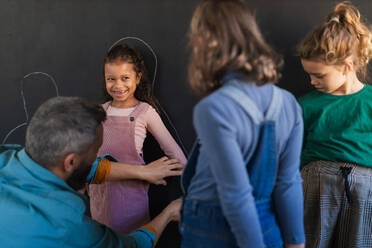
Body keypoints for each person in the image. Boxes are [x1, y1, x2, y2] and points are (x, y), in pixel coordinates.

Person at [180, 1, 305, 248]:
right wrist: (296, 244)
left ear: (204, 41)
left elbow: (236, 195)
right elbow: (288, 183)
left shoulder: (213, 108)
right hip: (267, 225)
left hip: (211, 229)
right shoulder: (289, 104)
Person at [0, 96, 181, 248]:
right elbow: (133, 245)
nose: (96, 157)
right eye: (95, 152)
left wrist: (141, 172)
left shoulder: (5, 156)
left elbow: (87, 168)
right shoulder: (73, 230)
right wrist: (168, 214)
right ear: (70, 162)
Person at [89, 43, 187, 234]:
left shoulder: (145, 112)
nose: (118, 85)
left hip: (132, 203)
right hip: (100, 202)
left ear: (138, 77)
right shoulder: (99, 112)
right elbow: (87, 157)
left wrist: (195, 185)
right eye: (111, 79)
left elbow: (174, 153)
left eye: (125, 78)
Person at [298, 2, 372, 248]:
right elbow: (291, 151)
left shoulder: (369, 101)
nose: (312, 81)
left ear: (346, 66)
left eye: (319, 75)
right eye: (309, 74)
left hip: (364, 193)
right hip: (316, 188)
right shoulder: (307, 105)